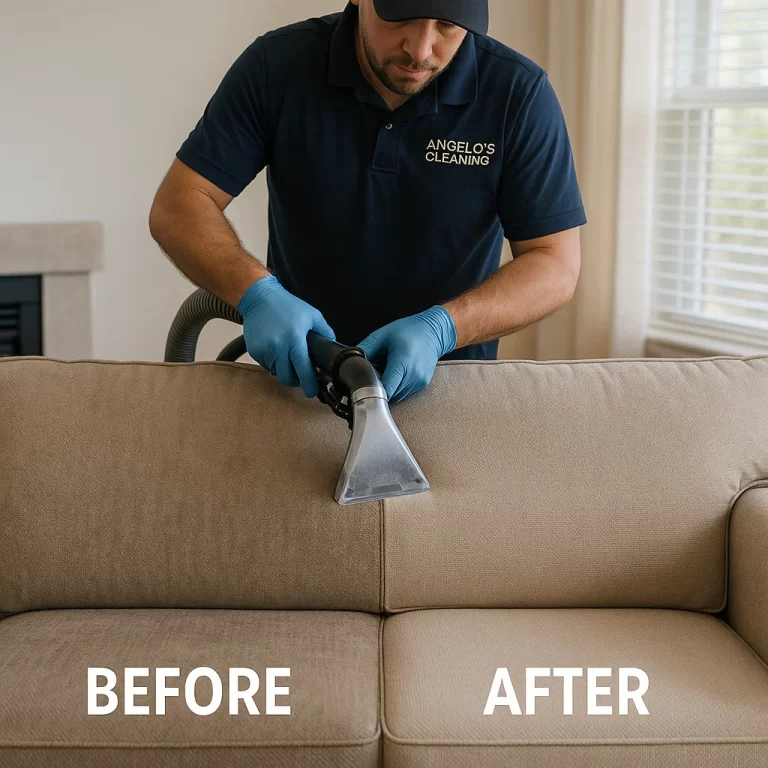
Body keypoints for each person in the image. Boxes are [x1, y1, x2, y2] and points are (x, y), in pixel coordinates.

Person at [149, 0, 586, 404]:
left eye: (447, 26)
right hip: (298, 381)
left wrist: (443, 328)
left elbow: (555, 264)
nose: (421, 49)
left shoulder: (517, 94)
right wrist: (254, 292)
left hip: (447, 390)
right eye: (401, 17)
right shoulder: (278, 66)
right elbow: (179, 203)